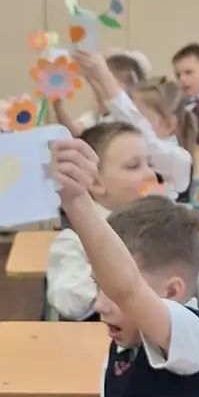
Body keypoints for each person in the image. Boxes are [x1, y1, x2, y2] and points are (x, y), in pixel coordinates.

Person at [53, 140, 199, 397]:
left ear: (172, 293)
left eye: (111, 292)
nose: (99, 304)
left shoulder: (192, 335)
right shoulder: (123, 346)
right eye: (98, 286)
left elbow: (129, 289)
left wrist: (76, 201)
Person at [45, 119, 158, 320]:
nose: (150, 174)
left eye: (150, 164)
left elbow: (197, 287)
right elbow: (68, 301)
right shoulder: (73, 241)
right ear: (96, 183)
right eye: (133, 166)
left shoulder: (164, 229)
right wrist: (116, 267)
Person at [73, 52, 194, 200]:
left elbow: (138, 127)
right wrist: (94, 78)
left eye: (140, 116)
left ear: (168, 124)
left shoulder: (179, 160)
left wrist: (105, 76)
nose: (130, 123)